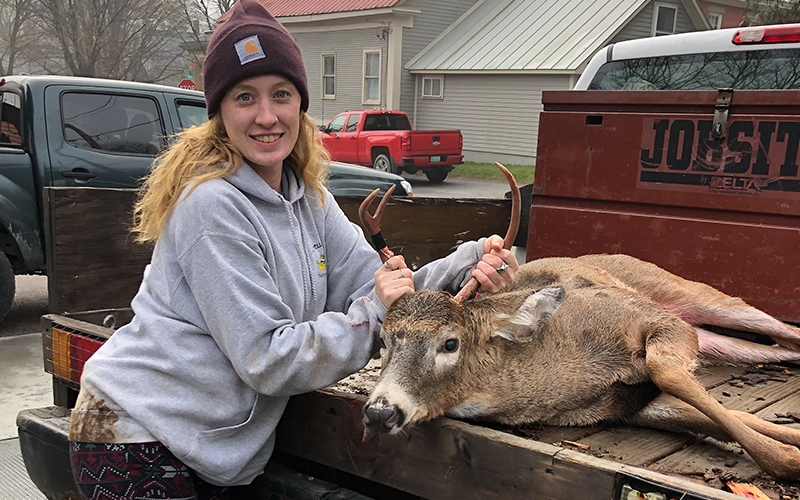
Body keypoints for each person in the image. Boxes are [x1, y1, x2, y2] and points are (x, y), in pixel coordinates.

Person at [67, 1, 519, 499]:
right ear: (218, 110)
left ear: (300, 104)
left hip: (214, 449)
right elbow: (268, 358)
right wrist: (376, 311)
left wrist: (470, 262)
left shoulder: (310, 201)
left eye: (280, 94)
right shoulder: (211, 205)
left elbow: (382, 289)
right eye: (245, 97)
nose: (267, 116)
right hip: (135, 436)